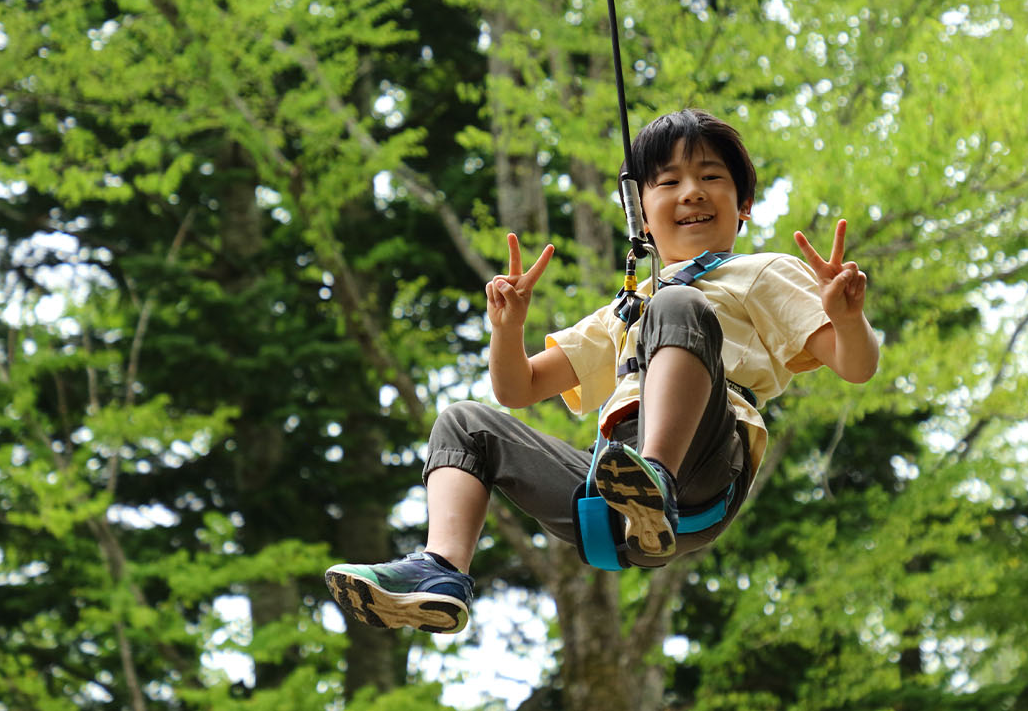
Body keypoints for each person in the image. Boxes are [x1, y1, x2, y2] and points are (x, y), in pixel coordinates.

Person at [324, 109, 880, 633]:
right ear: (639, 210)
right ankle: (441, 569)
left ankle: (653, 480)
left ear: (743, 205)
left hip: (704, 469)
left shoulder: (758, 274)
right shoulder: (628, 306)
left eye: (711, 177)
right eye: (668, 182)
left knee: (678, 304)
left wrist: (847, 319)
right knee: (465, 423)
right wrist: (507, 329)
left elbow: (856, 367)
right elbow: (517, 388)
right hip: (610, 501)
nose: (691, 192)